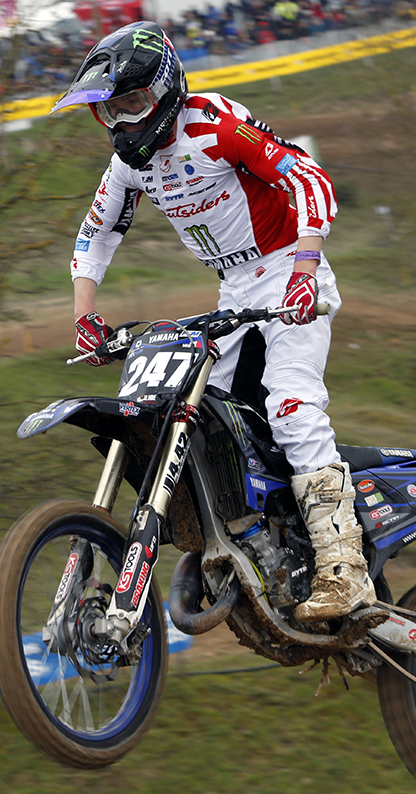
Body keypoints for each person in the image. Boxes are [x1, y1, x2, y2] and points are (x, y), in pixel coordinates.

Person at [51, 21, 373, 623]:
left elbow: (310, 178)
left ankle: (344, 569)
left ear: (164, 90)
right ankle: (246, 539)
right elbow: (96, 233)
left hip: (290, 269)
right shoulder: (128, 166)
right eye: (109, 111)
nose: (122, 122)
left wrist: (306, 268)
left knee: (291, 405)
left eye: (132, 103)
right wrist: (84, 314)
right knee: (196, 418)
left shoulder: (213, 124)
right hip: (233, 289)